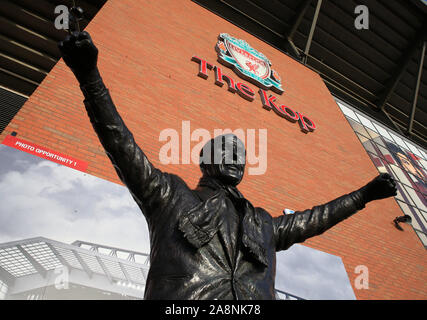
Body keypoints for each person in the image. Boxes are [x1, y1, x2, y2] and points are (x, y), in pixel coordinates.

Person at [58, 31, 397, 300]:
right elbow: (120, 144)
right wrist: (89, 77)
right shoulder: (169, 195)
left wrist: (365, 194)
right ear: (205, 162)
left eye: (240, 154)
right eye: (226, 150)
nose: (236, 157)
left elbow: (317, 218)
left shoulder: (262, 223)